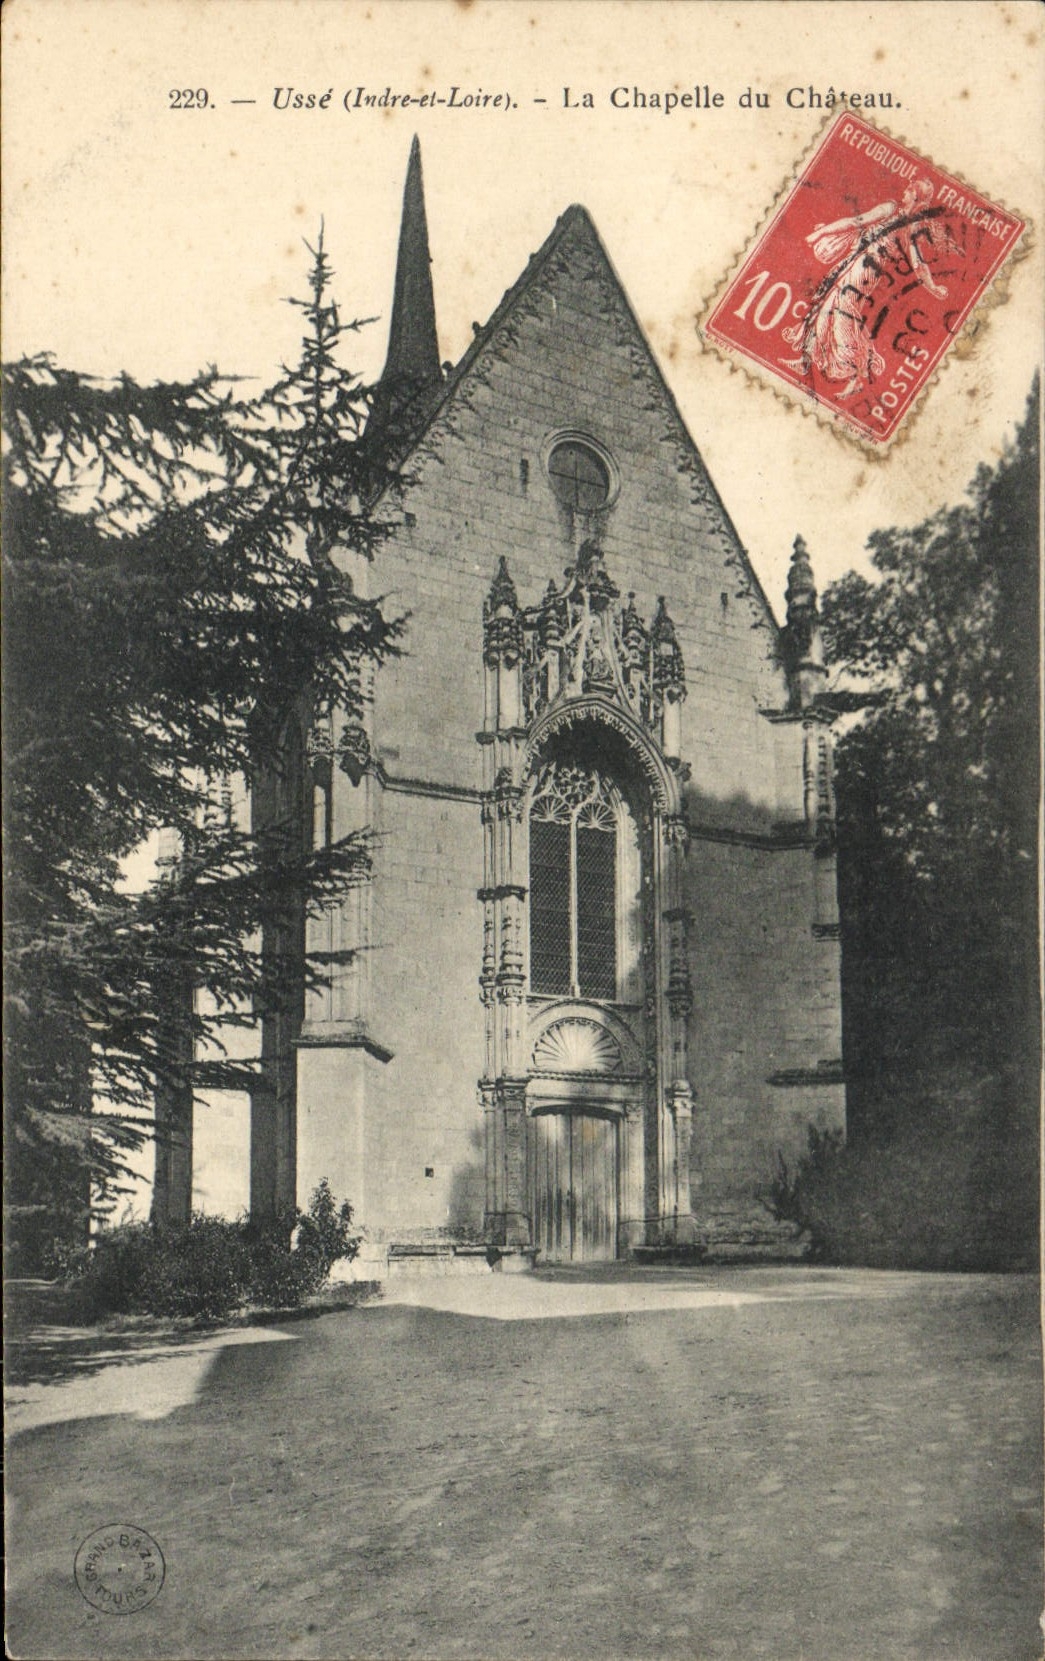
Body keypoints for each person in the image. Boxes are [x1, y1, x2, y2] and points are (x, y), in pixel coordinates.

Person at [781, 177, 947, 398]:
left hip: (866, 272)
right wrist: (823, 233)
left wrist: (933, 287)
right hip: (853, 262)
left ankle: (858, 373)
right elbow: (857, 220)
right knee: (826, 308)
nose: (904, 192)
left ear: (915, 196)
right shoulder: (890, 209)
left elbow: (917, 263)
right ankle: (807, 361)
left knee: (843, 317)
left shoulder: (910, 228)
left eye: (909, 190)